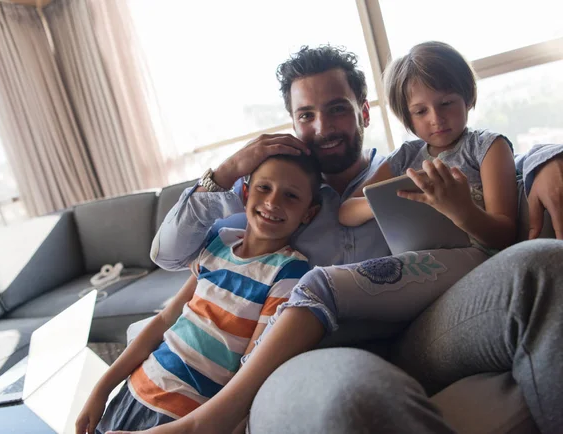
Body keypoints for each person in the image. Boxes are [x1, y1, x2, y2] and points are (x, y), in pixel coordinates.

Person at [125, 44, 563, 433]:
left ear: (364, 112)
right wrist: (226, 170)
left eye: (337, 109)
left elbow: (480, 162)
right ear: (293, 122)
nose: (324, 127)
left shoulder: (401, 166)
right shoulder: (269, 198)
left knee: (546, 264)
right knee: (355, 399)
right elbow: (167, 254)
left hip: (427, 330)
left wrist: (548, 158)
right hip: (310, 354)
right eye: (306, 115)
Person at [75, 154, 321, 434]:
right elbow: (165, 320)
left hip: (184, 419)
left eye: (291, 196)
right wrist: (102, 389)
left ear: (308, 213)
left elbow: (251, 370)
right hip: (135, 389)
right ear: (245, 192)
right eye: (264, 188)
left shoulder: (288, 272)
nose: (273, 202)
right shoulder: (218, 245)